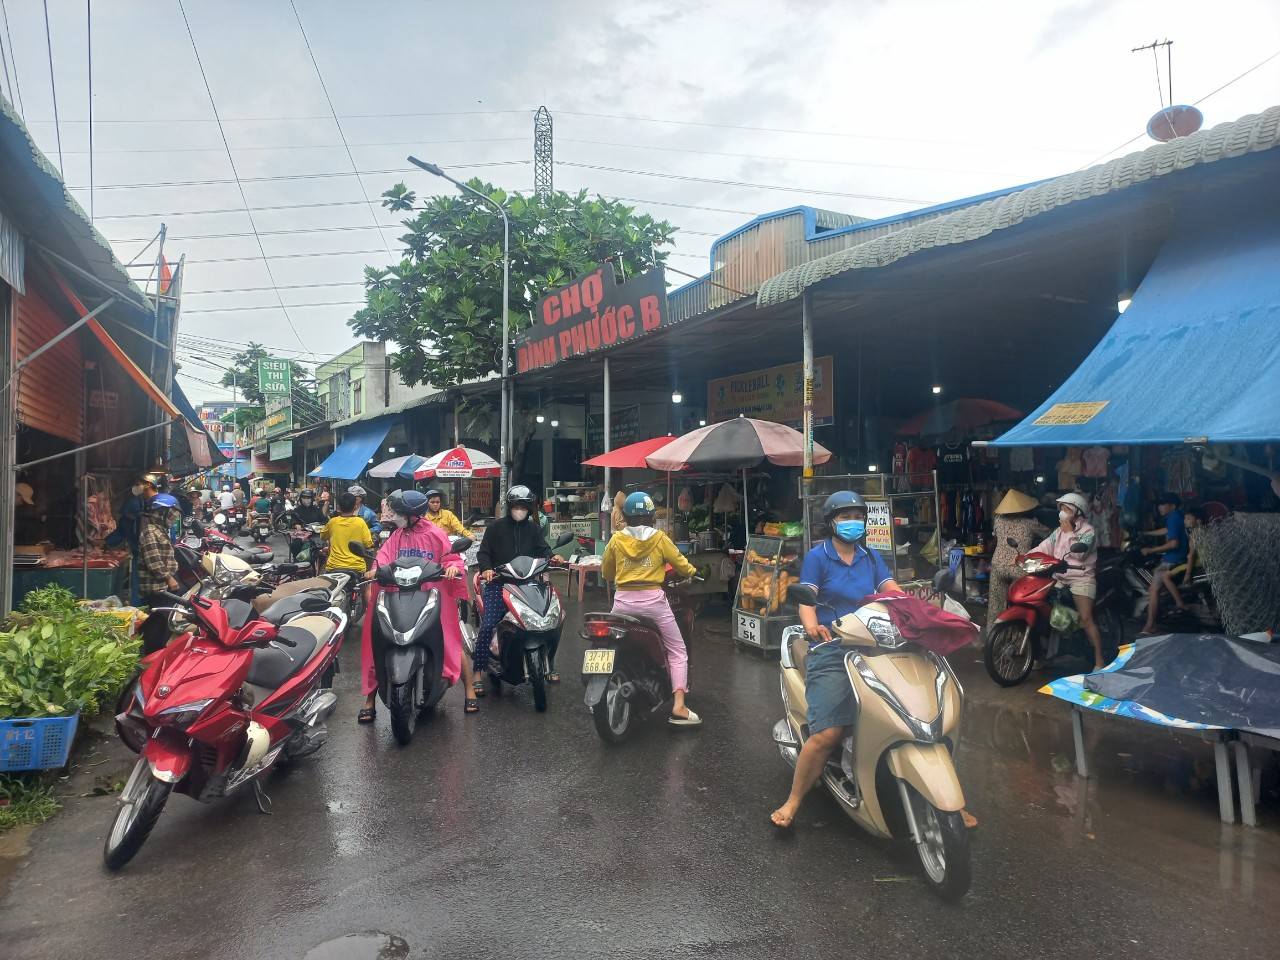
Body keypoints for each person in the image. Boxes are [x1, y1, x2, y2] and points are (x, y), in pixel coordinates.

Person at [771, 491, 901, 829]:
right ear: (831, 522)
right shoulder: (818, 556)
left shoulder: (870, 557)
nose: (852, 522)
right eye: (845, 517)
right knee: (828, 733)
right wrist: (812, 625)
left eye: (857, 516)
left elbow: (891, 589)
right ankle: (794, 800)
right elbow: (807, 598)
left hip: (873, 644)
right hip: (832, 647)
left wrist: (915, 604)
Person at [359, 490, 469, 722]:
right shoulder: (397, 535)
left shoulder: (435, 533)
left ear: (412, 514)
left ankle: (470, 691)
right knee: (375, 639)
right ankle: (369, 698)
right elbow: (383, 557)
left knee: (450, 638)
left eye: (399, 512)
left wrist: (452, 567)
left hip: (430, 596)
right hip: (398, 596)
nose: (395, 516)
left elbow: (451, 557)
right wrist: (375, 568)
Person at [601, 491, 702, 725]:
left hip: (623, 603)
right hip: (653, 603)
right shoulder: (659, 538)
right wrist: (693, 572)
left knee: (612, 642)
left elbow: (607, 573)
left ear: (625, 516)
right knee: (677, 650)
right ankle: (679, 706)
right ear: (650, 517)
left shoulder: (616, 539)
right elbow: (681, 564)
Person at [473, 485, 553, 691]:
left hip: (527, 584)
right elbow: (483, 553)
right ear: (510, 507)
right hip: (499, 585)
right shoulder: (495, 528)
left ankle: (549, 665)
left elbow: (543, 550)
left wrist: (553, 557)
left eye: (523, 507)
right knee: (489, 624)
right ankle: (477, 672)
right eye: (516, 506)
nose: (520, 510)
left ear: (529, 509)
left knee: (548, 620)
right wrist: (487, 569)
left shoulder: (534, 529)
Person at [1033, 492, 1104, 670]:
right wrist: (1025, 557)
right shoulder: (1058, 531)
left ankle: (1099, 661)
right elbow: (1044, 547)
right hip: (1059, 577)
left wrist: (1070, 532)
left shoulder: (1088, 531)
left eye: (1066, 509)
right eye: (1062, 509)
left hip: (1081, 578)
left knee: (1086, 619)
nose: (1062, 512)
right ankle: (1044, 656)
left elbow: (1080, 554)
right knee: (1045, 614)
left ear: (1076, 512)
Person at [988, 489, 1050, 623]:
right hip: (1018, 567)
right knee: (1020, 604)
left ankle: (993, 638)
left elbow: (996, 536)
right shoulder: (1030, 523)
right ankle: (1016, 637)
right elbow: (1049, 535)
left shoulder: (998, 519)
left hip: (998, 565)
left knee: (995, 605)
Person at [1139, 494, 1192, 635]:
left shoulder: (1173, 517)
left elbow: (1174, 543)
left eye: (1163, 504)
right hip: (1178, 557)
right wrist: (1148, 533)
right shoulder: (1177, 516)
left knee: (1153, 591)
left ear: (1172, 506)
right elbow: (1168, 530)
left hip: (1172, 560)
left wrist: (1151, 550)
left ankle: (1150, 625)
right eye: (1159, 504)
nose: (1160, 507)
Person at [138, 493, 183, 654]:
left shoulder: (159, 530)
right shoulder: (150, 532)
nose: (174, 518)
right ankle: (153, 654)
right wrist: (169, 578)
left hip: (163, 584)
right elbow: (153, 561)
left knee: (163, 619)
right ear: (160, 513)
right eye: (171, 514)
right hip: (157, 586)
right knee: (160, 621)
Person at [321, 492, 374, 578]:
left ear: (339, 508)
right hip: (356, 568)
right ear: (355, 507)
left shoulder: (332, 522)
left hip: (334, 568)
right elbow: (368, 544)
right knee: (367, 586)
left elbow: (322, 536)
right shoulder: (360, 522)